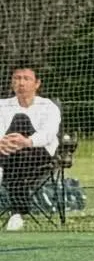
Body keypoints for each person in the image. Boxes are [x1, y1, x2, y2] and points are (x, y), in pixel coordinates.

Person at [0, 67, 61, 231]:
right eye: (17, 78)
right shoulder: (2, 106)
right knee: (15, 157)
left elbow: (49, 134)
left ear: (37, 83)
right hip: (10, 156)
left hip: (39, 155)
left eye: (26, 78)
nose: (21, 83)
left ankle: (17, 210)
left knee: (20, 119)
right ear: (12, 82)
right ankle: (17, 213)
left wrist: (26, 141)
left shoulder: (48, 106)